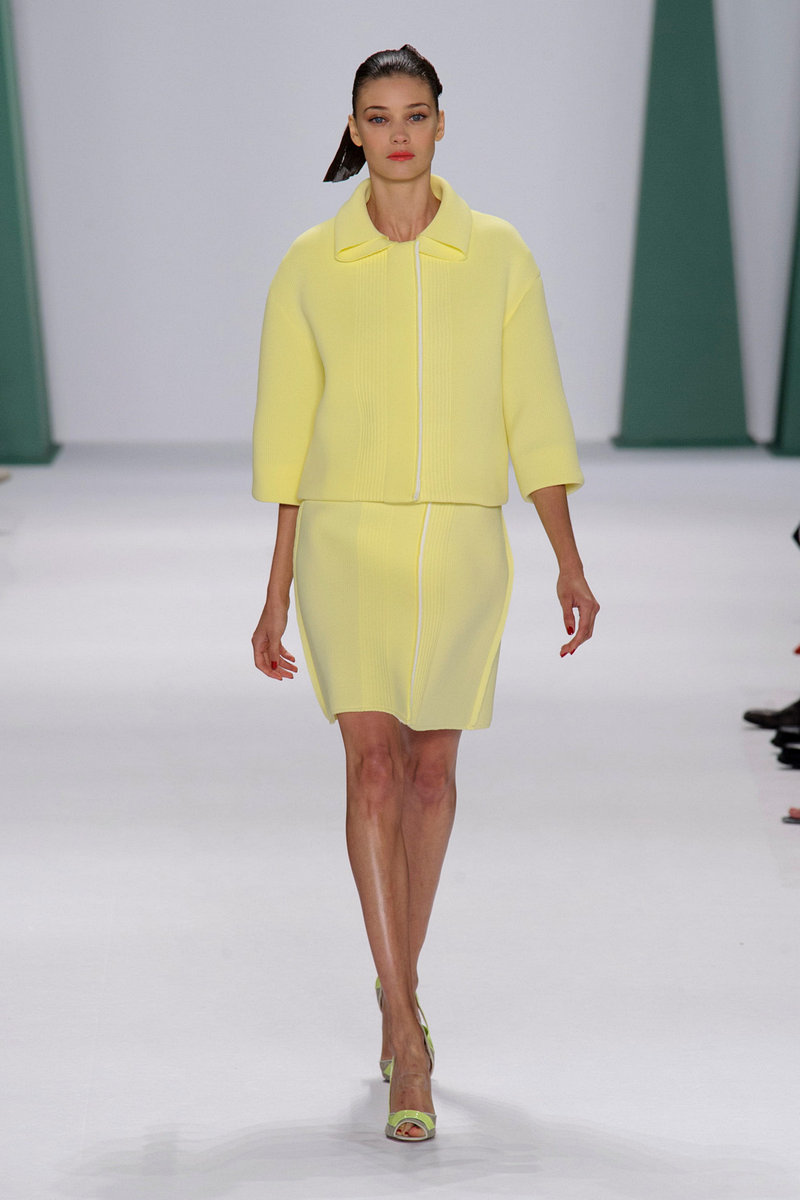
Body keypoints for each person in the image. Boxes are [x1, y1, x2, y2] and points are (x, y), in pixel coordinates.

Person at [251, 45, 599, 1142]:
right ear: (352, 129)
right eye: (377, 116)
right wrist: (273, 590)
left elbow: (534, 412)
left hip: (459, 539)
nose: (396, 134)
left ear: (442, 124)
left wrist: (568, 560)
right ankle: (406, 1032)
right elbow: (285, 438)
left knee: (433, 773)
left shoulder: (498, 256)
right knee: (370, 765)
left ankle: (397, 974)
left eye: (414, 114)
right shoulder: (310, 265)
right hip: (344, 539)